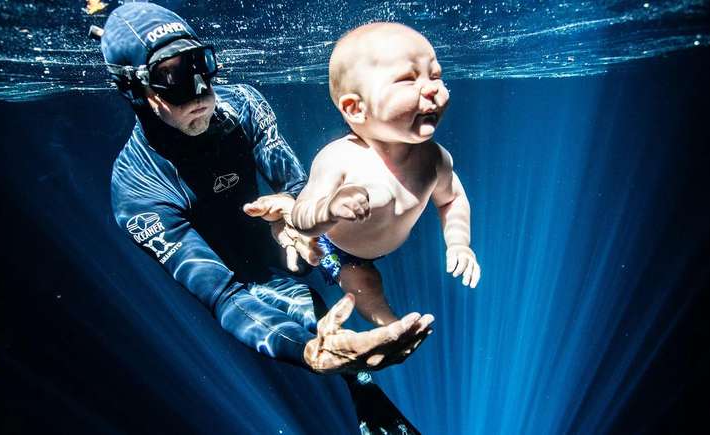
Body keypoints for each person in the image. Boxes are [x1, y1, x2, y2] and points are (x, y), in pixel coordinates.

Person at [93, 3, 433, 433]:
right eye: (172, 77)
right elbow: (225, 295)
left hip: (283, 236)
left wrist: (320, 244)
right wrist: (313, 353)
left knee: (342, 257)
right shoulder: (136, 190)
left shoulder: (244, 105)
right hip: (242, 274)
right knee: (306, 308)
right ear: (133, 89)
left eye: (201, 64)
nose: (200, 90)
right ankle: (357, 380)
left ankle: (365, 355)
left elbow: (299, 189)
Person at [288, 23, 481, 327]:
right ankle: (392, 328)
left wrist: (459, 242)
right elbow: (303, 213)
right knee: (361, 279)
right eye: (407, 79)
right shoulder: (339, 159)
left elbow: (452, 199)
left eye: (436, 75)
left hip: (385, 240)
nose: (433, 88)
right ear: (355, 109)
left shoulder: (435, 159)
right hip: (336, 246)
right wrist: (327, 209)